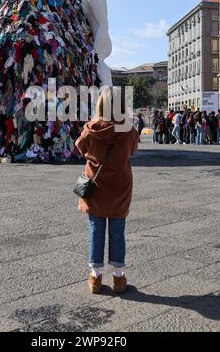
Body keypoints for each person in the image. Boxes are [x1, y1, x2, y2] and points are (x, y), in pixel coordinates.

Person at [75, 88, 139, 294]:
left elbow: (79, 146)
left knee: (96, 229)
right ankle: (119, 278)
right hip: (120, 185)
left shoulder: (91, 128)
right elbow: (132, 149)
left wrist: (93, 155)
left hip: (96, 185)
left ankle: (95, 277)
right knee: (118, 230)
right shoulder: (128, 129)